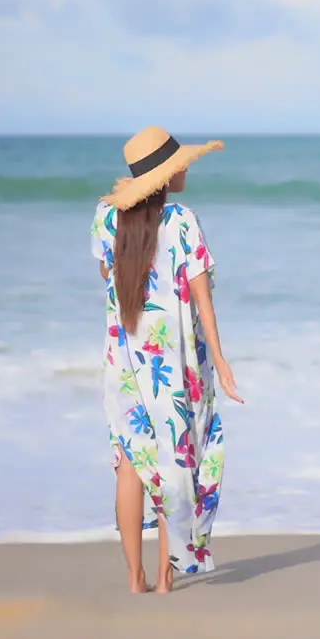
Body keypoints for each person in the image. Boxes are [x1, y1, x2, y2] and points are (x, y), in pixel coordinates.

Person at [90, 125, 244, 594]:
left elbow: (108, 278)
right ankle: (163, 577)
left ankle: (134, 579)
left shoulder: (106, 217)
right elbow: (202, 300)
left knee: (130, 465)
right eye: (179, 167)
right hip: (173, 363)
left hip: (124, 359)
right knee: (172, 463)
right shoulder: (182, 221)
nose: (185, 172)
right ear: (163, 177)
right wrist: (220, 359)